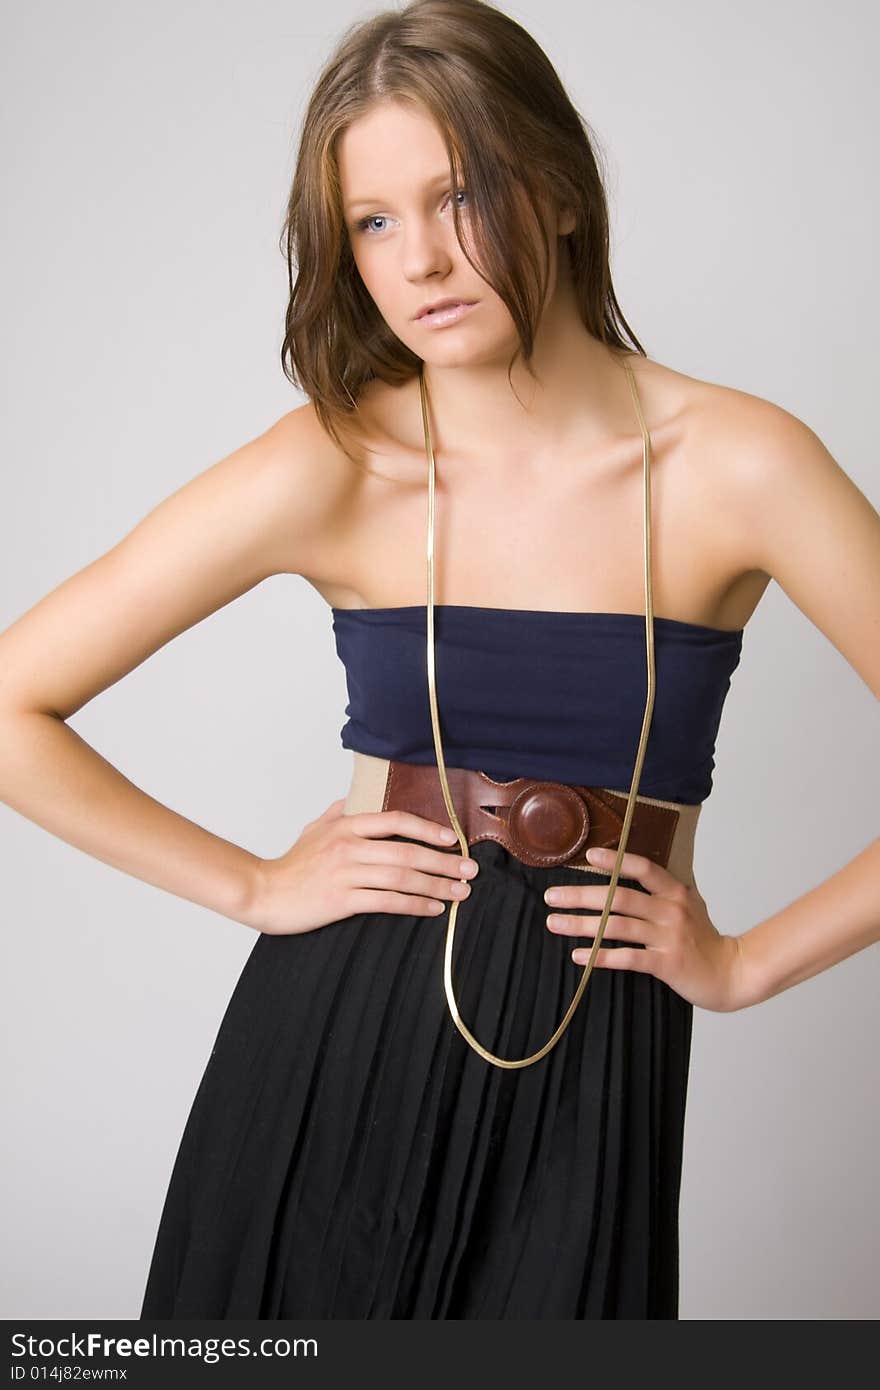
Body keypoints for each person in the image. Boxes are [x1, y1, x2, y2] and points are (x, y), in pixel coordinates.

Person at [1, 0, 878, 1321]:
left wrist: (749, 961)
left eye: (459, 194)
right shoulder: (337, 460)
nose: (419, 260)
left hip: (597, 1054)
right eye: (373, 219)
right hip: (335, 1040)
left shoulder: (744, 466)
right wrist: (249, 881)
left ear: (563, 192)